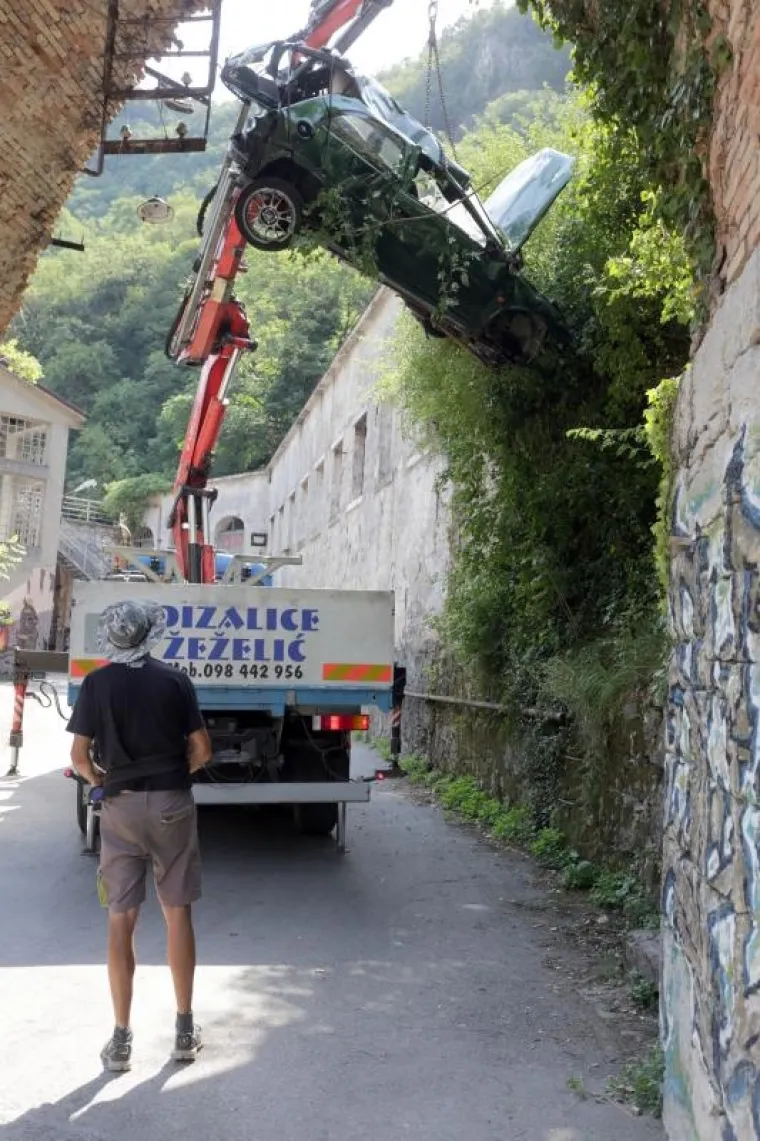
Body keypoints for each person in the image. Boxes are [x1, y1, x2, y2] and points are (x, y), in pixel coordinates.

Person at [67, 599, 213, 1073]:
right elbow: (202, 750)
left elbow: (80, 757)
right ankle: (185, 1030)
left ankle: (121, 1040)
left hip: (120, 808)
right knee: (177, 913)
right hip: (171, 802)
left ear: (112, 640)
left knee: (120, 920)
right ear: (151, 634)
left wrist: (99, 784)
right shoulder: (174, 680)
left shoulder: (96, 683)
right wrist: (176, 773)